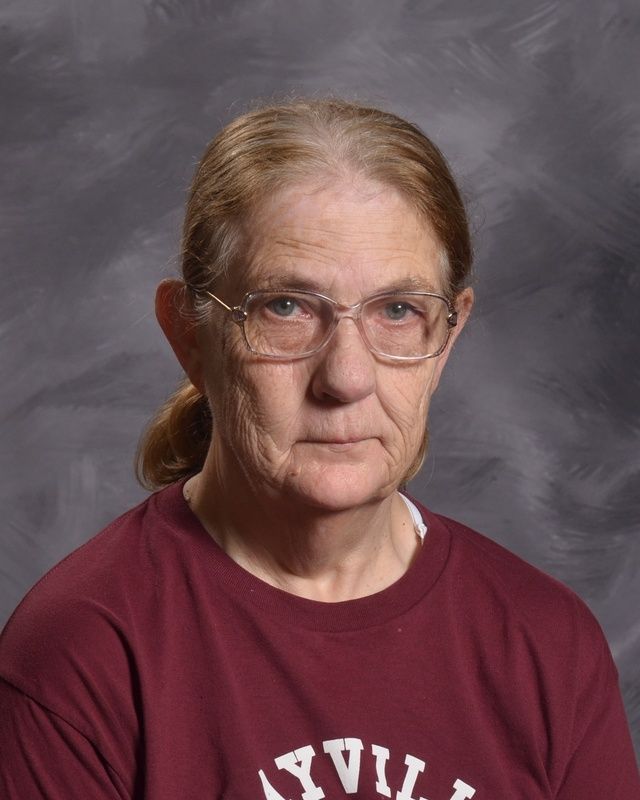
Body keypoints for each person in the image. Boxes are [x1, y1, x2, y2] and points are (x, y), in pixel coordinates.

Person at [0, 98, 638, 799]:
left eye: (398, 311)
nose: (346, 379)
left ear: (446, 338)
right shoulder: (82, 653)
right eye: (286, 308)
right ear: (190, 337)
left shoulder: (546, 643)